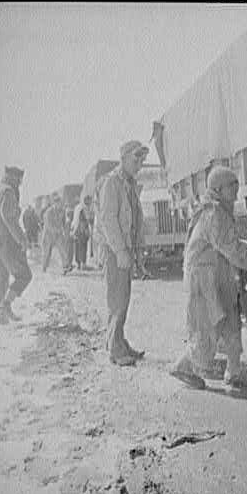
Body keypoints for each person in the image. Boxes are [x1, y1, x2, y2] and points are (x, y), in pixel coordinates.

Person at [170, 166, 247, 389]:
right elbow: (235, 250)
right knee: (208, 327)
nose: (236, 190)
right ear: (218, 188)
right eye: (232, 186)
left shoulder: (220, 210)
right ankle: (184, 366)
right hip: (203, 278)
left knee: (231, 321)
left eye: (236, 184)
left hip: (218, 273)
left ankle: (234, 371)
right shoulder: (214, 214)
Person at [99, 140, 149, 366]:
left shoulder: (128, 183)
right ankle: (115, 349)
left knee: (123, 299)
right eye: (136, 158)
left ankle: (118, 341)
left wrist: (135, 249)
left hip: (125, 249)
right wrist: (120, 250)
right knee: (117, 300)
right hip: (114, 251)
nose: (140, 163)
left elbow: (134, 219)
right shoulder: (112, 183)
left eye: (142, 159)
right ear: (124, 158)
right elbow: (108, 219)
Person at [0, 166, 33, 325]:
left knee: (1, 278)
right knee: (24, 275)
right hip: (7, 243)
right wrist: (22, 239)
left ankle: (1, 315)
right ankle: (5, 306)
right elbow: (9, 218)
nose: (20, 184)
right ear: (12, 177)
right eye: (19, 180)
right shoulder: (8, 192)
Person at [41, 192, 73, 275]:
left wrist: (66, 227)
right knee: (46, 253)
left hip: (58, 234)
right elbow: (48, 225)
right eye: (57, 202)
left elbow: (63, 222)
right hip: (48, 235)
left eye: (60, 202)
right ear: (54, 203)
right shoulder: (48, 212)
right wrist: (58, 230)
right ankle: (44, 268)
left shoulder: (62, 211)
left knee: (63, 249)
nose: (59, 204)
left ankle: (66, 267)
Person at [71, 195, 92, 270]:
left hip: (76, 230)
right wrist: (86, 231)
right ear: (86, 201)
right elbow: (84, 219)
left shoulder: (77, 207)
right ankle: (82, 263)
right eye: (89, 201)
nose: (90, 203)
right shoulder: (84, 208)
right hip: (81, 230)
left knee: (77, 247)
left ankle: (78, 264)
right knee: (83, 247)